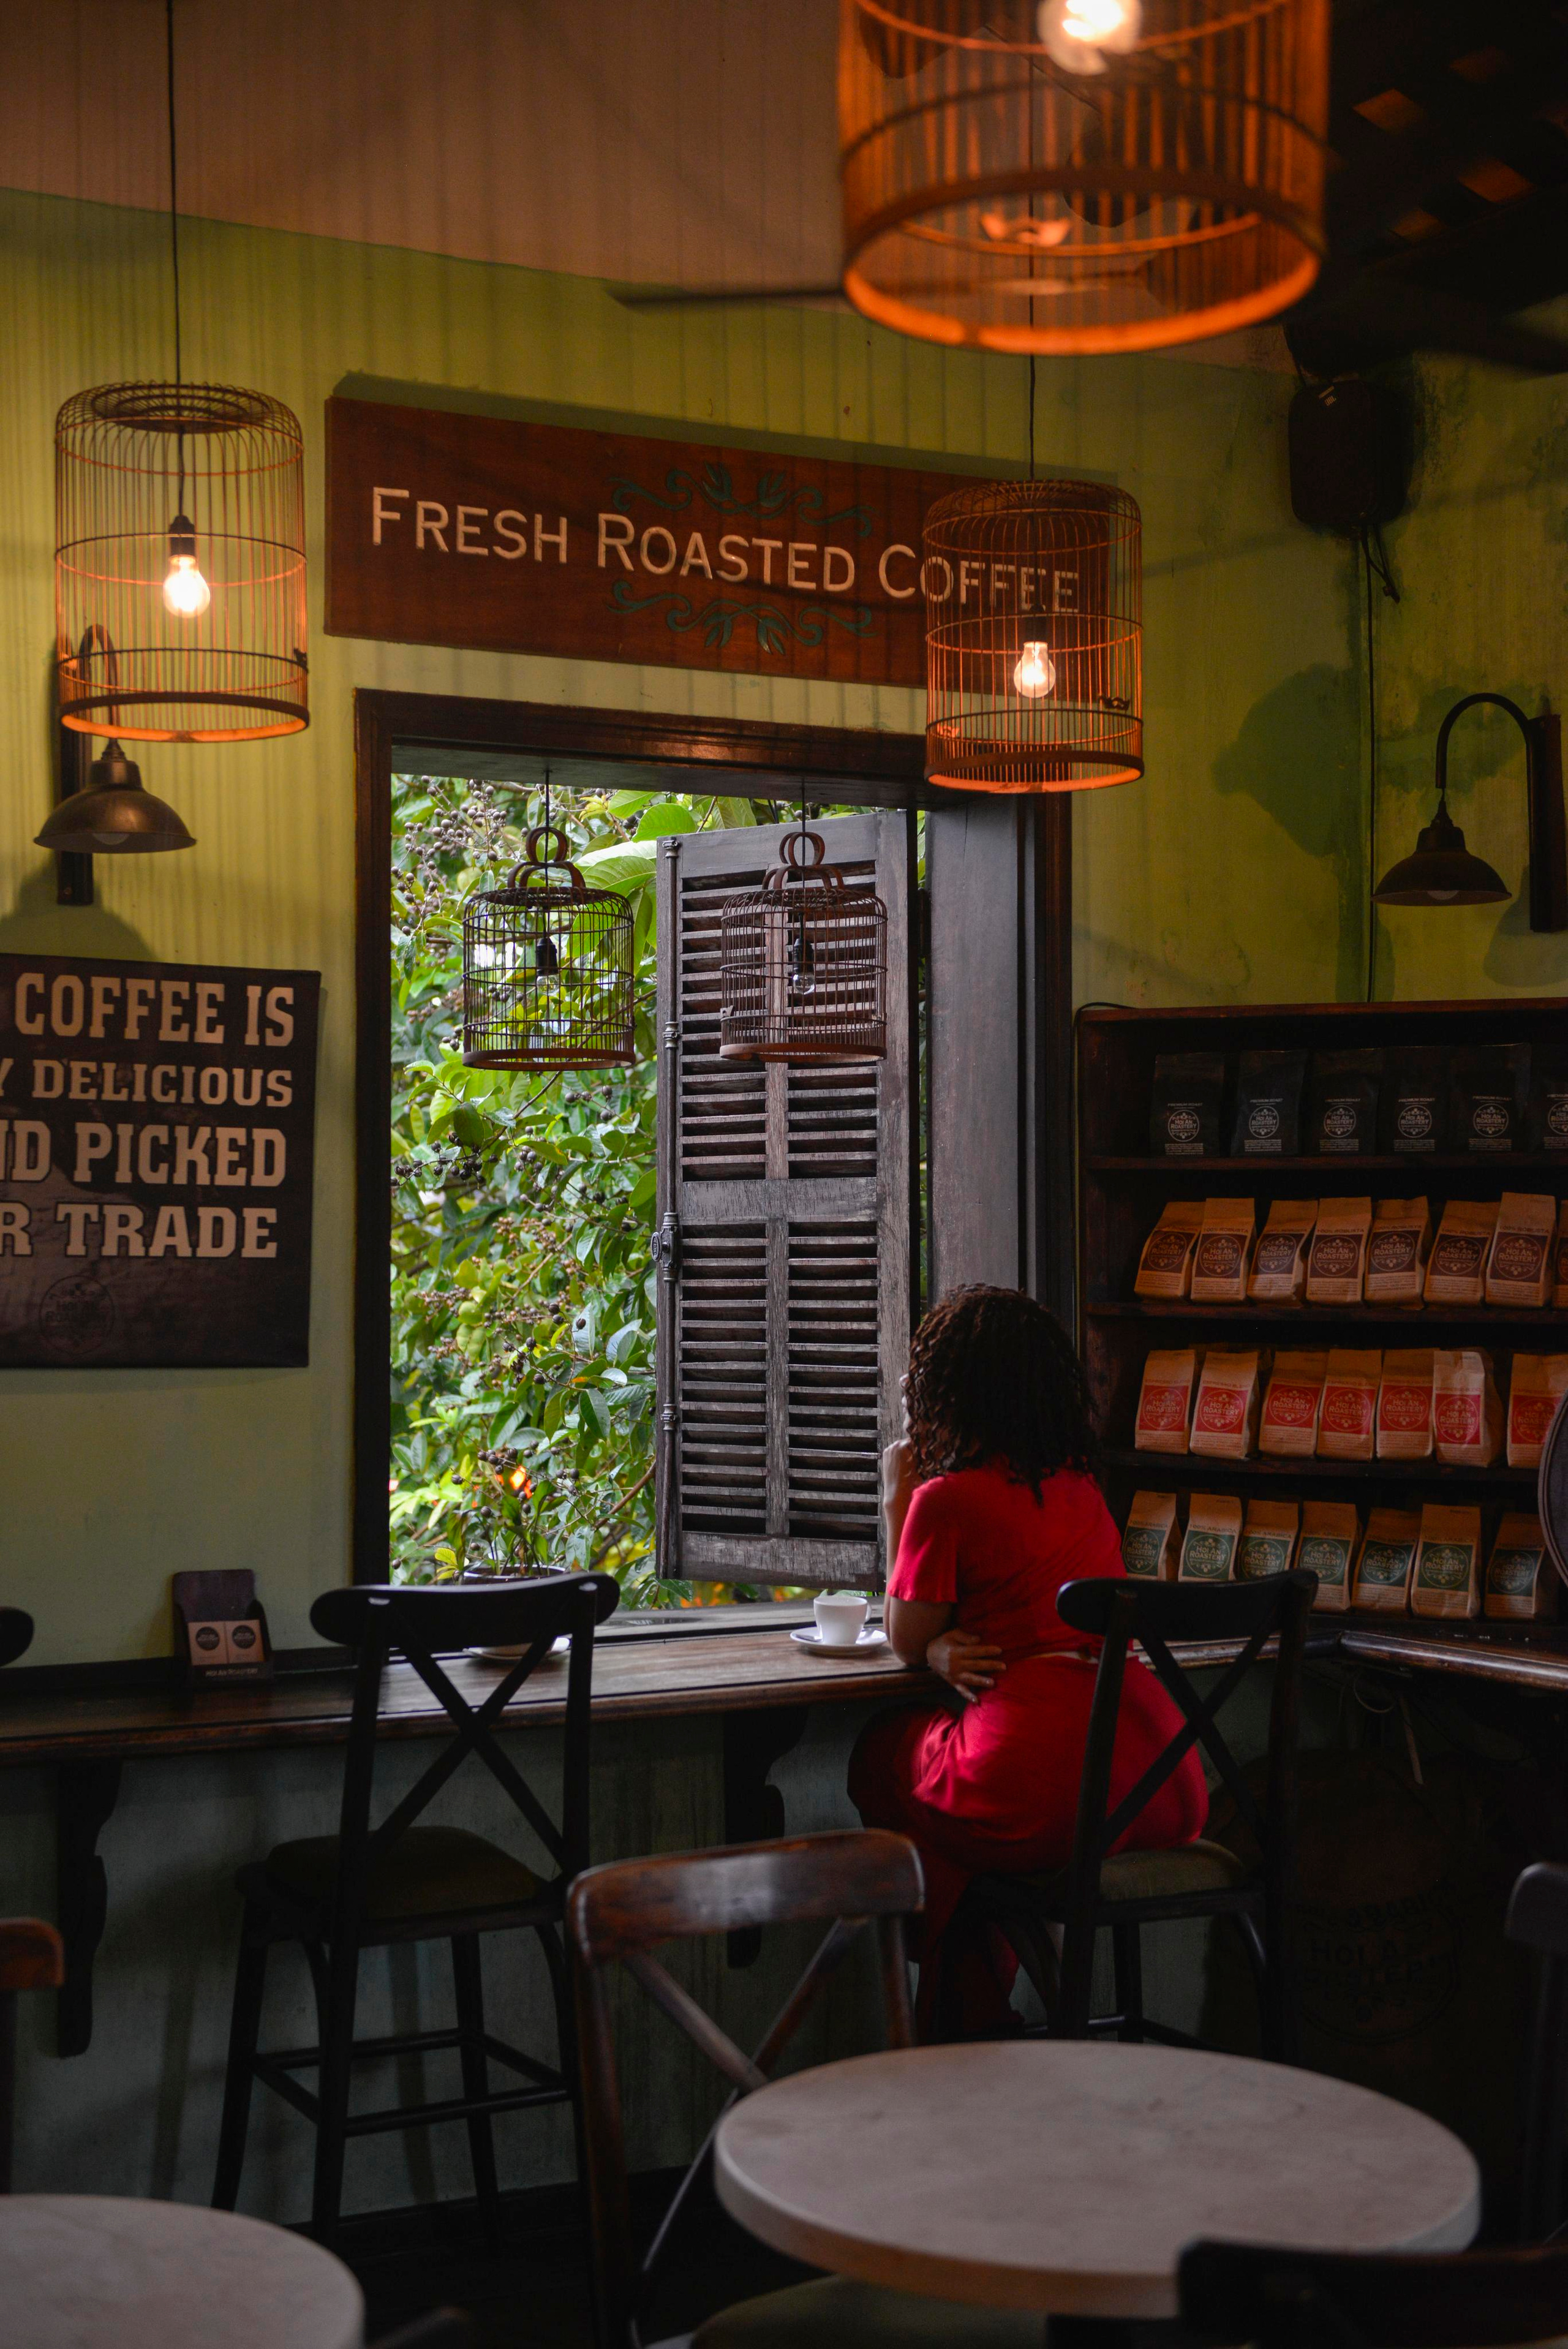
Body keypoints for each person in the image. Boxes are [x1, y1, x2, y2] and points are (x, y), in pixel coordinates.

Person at [848, 1284, 1207, 2038]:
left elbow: (904, 1634)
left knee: (883, 1755)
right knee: (965, 1843)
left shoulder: (944, 1500)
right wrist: (944, 1644)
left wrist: (894, 1497)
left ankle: (965, 2028)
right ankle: (975, 2019)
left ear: (948, 1394)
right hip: (1164, 1781)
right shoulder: (1082, 1490)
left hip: (1048, 1788)